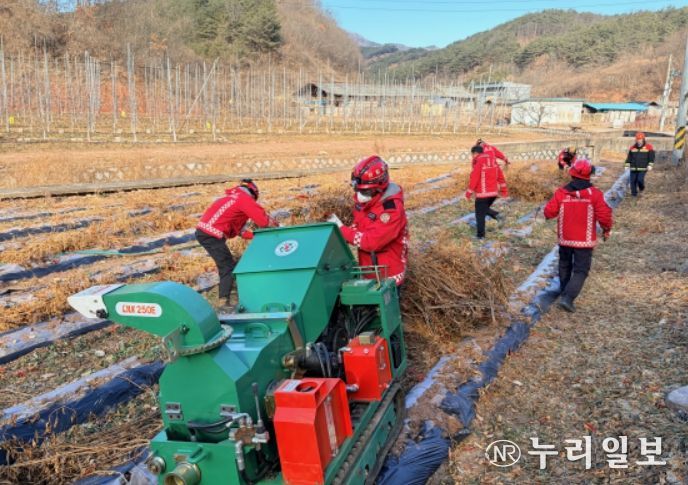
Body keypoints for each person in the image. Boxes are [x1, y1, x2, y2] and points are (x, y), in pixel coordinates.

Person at [327, 155, 409, 289]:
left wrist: (341, 229)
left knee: (384, 303)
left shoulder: (391, 211)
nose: (360, 194)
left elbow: (371, 242)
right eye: (358, 190)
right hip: (369, 270)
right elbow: (359, 226)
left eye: (365, 191)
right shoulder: (367, 203)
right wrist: (341, 232)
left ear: (379, 188)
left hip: (387, 276)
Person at [543, 158, 613, 313]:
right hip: (584, 241)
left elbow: (549, 211)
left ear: (572, 174)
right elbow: (604, 215)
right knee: (581, 270)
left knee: (564, 265)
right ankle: (568, 298)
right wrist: (606, 229)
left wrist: (547, 214)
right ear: (589, 175)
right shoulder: (594, 194)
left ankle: (564, 292)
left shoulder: (562, 192)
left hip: (565, 239)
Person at [195, 179, 278, 309]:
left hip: (206, 233)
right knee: (227, 267)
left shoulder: (231, 199)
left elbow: (240, 231)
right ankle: (223, 302)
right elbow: (263, 221)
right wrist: (274, 226)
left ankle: (229, 296)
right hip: (210, 235)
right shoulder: (243, 199)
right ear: (253, 194)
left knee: (228, 265)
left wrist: (257, 236)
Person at [465, 145, 508, 239]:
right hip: (493, 194)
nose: (472, 157)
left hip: (482, 194)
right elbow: (501, 177)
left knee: (479, 215)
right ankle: (497, 215)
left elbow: (474, 178)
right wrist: (504, 190)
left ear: (475, 153)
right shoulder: (494, 161)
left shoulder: (479, 162)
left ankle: (480, 236)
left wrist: (468, 193)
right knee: (483, 209)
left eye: (472, 155)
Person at [625, 132, 655, 197]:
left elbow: (651, 157)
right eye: (637, 139)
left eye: (640, 139)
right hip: (633, 168)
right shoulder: (632, 148)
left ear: (643, 139)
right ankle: (634, 195)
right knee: (633, 181)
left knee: (640, 180)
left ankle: (642, 188)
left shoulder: (649, 147)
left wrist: (650, 165)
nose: (639, 141)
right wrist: (627, 165)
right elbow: (629, 157)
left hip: (643, 168)